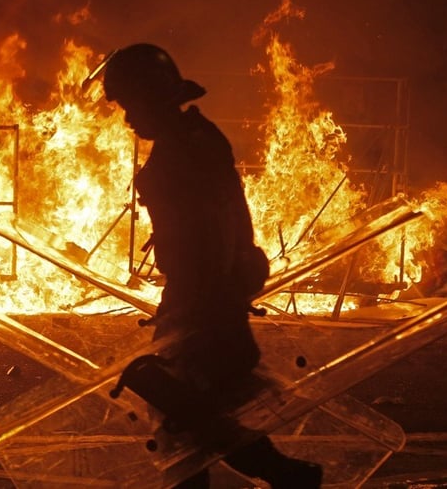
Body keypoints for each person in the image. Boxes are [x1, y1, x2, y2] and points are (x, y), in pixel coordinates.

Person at [101, 43, 323, 489]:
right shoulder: (199, 139)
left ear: (153, 97)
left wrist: (195, 312)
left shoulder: (181, 154)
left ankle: (291, 477)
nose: (127, 118)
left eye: (130, 104)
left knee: (185, 418)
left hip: (202, 302)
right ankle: (291, 477)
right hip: (213, 295)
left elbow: (206, 239)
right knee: (195, 419)